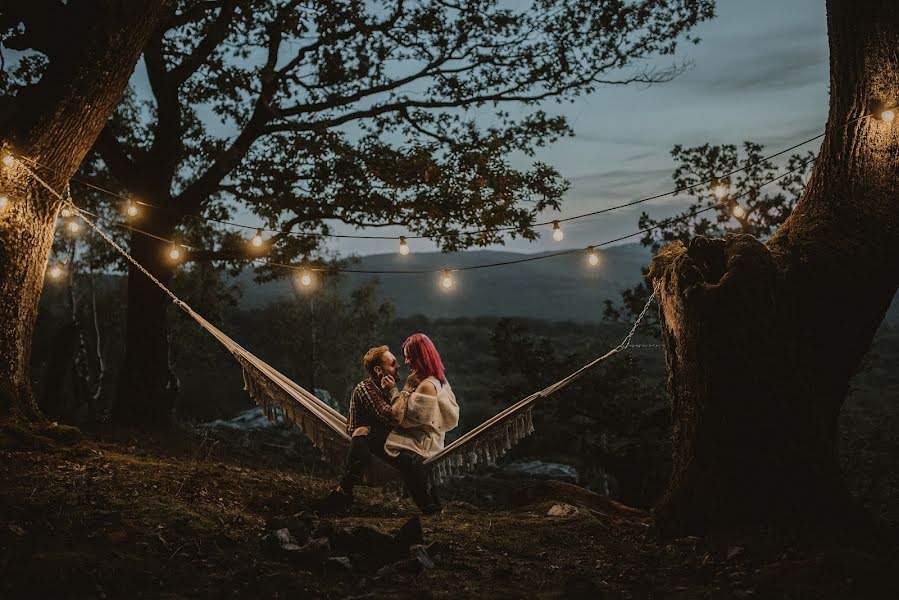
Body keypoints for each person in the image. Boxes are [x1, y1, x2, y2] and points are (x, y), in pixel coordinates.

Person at [326, 344, 444, 513]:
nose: (398, 366)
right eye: (393, 363)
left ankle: (430, 505)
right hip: (367, 441)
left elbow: (401, 416)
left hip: (384, 439)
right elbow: (395, 417)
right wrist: (406, 389)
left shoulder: (387, 389)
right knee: (408, 461)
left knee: (417, 460)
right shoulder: (366, 388)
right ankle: (343, 493)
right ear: (379, 371)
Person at [383, 333, 459, 514]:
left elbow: (402, 420)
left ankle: (428, 507)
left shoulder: (425, 385)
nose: (407, 361)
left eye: (409, 356)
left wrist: (396, 391)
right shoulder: (441, 381)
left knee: (381, 445)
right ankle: (433, 506)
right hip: (431, 440)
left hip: (422, 444)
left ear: (421, 357)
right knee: (415, 469)